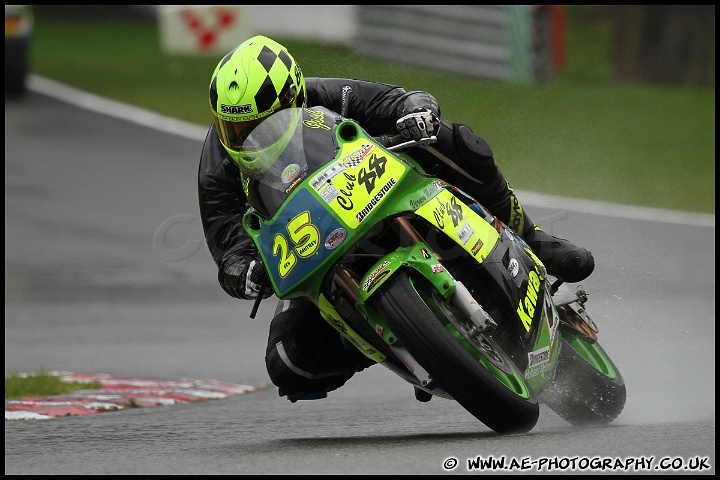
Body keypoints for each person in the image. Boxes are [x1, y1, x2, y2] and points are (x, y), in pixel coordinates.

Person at [198, 35, 594, 402]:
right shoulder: (217, 166)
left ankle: (531, 235)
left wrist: (416, 112)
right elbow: (226, 242)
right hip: (316, 250)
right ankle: (402, 340)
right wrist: (242, 271)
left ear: (293, 99)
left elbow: (395, 100)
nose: (245, 137)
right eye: (233, 128)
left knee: (456, 141)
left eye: (259, 124)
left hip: (382, 192)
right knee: (288, 362)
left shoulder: (324, 95)